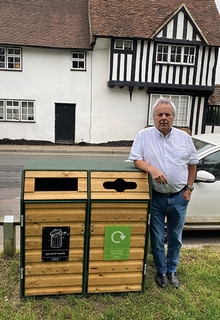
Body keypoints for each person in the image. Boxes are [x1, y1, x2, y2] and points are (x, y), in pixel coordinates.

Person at [129, 97, 198, 288]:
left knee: (175, 237)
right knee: (157, 237)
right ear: (154, 117)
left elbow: (193, 164)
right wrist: (151, 169)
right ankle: (161, 270)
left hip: (179, 196)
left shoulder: (184, 138)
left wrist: (189, 189)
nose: (164, 117)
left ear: (174, 117)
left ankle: (172, 270)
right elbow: (136, 159)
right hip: (156, 197)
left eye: (168, 114)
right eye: (160, 114)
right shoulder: (144, 136)